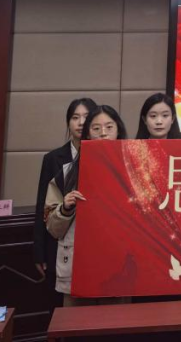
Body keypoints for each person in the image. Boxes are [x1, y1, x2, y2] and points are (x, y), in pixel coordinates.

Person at [44, 105, 127, 306]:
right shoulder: (67, 174)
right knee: (76, 322)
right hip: (78, 269)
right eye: (96, 128)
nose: (103, 133)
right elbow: (53, 228)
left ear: (118, 131)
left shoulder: (133, 172)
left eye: (109, 127)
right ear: (87, 134)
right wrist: (65, 209)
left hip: (119, 270)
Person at [33, 97, 96, 294]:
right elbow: (42, 206)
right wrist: (39, 252)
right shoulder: (53, 159)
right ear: (68, 123)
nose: (81, 122)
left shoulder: (105, 156)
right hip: (60, 241)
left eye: (86, 117)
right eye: (75, 117)